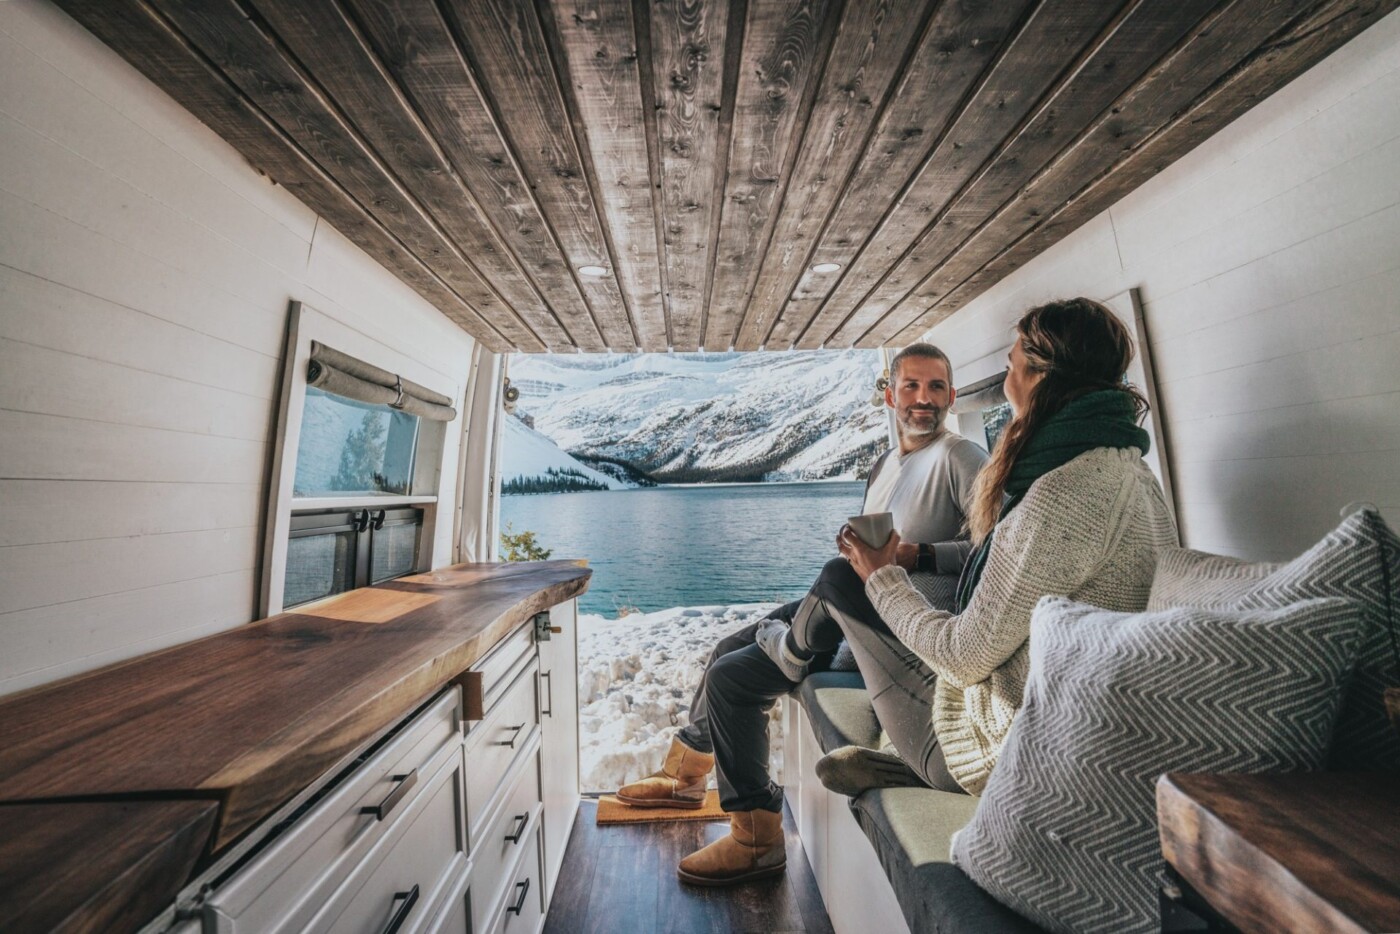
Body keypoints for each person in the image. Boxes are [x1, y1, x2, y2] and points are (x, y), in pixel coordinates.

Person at [616, 343, 989, 887]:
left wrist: (919, 555)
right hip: (855, 604)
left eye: (935, 387)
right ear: (890, 395)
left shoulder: (962, 457)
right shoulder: (886, 463)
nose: (923, 399)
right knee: (727, 650)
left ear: (952, 397)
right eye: (910, 386)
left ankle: (753, 837)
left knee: (739, 672)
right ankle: (689, 777)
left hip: (898, 632)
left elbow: (994, 552)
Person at [817, 297, 1178, 802]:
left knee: (839, 578)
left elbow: (964, 657)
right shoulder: (1132, 473)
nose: (1007, 383)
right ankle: (892, 753)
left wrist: (882, 575)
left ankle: (920, 763)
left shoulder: (1064, 495)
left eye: (1010, 367)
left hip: (1009, 746)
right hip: (1074, 716)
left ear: (1036, 375)